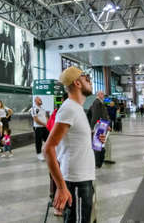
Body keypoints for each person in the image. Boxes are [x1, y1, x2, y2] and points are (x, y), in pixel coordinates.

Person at [45, 66, 105, 222]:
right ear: (77, 83)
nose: (90, 82)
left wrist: (94, 138)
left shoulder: (78, 109)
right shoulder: (69, 109)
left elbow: (71, 141)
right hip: (75, 182)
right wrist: (61, 187)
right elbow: (48, 148)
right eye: (87, 79)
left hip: (83, 178)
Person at [30, 96, 49, 161]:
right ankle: (39, 154)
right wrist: (44, 124)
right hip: (38, 128)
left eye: (41, 99)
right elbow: (36, 119)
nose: (40, 100)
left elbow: (46, 117)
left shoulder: (42, 109)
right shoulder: (34, 109)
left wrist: (47, 123)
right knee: (38, 142)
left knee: (48, 140)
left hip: (45, 127)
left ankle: (46, 152)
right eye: (39, 100)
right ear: (35, 101)